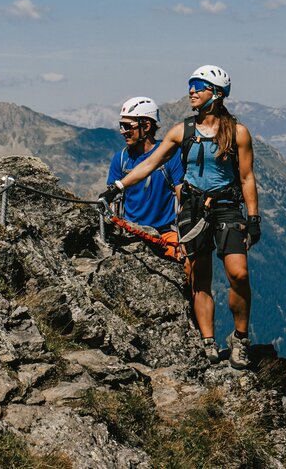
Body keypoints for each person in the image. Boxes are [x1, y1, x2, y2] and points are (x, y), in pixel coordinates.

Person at [100, 65, 261, 369]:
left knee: (239, 274)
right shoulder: (181, 131)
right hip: (194, 209)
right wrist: (118, 187)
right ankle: (208, 342)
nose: (191, 92)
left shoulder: (238, 133)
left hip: (226, 206)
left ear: (216, 93)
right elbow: (149, 165)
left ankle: (240, 339)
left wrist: (253, 218)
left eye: (199, 87)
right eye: (191, 86)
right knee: (199, 277)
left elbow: (247, 177)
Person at [104, 97, 183, 260]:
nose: (122, 131)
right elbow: (113, 201)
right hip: (130, 232)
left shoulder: (171, 156)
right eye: (121, 125)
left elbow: (183, 197)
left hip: (166, 234)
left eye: (127, 126)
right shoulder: (120, 159)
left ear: (146, 126)